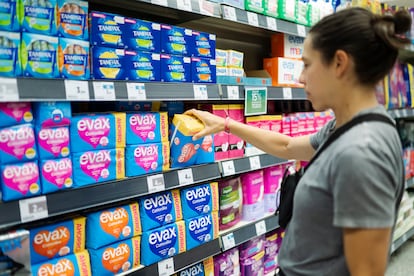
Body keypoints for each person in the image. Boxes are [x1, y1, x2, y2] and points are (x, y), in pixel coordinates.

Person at [186, 7, 412, 276]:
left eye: (307, 64)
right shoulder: (349, 126)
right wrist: (226, 124)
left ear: (339, 63)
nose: (300, 77)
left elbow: (366, 271)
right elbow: (287, 147)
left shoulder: (361, 153)